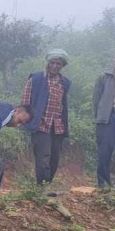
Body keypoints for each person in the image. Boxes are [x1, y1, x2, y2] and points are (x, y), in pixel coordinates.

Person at [21, 49, 71, 187]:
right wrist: (29, 120)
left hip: (58, 125)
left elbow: (63, 104)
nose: (55, 66)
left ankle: (48, 184)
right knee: (43, 156)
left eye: (58, 63)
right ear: (47, 63)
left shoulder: (64, 82)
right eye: (52, 63)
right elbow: (25, 102)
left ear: (63, 65)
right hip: (40, 124)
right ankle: (41, 186)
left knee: (54, 157)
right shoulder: (36, 79)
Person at [92, 48, 115, 190]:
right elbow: (96, 99)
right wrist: (101, 117)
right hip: (108, 117)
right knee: (105, 151)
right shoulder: (105, 77)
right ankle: (104, 183)